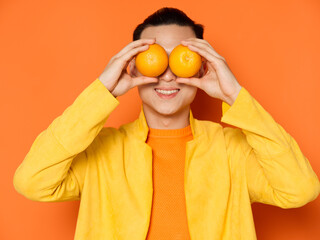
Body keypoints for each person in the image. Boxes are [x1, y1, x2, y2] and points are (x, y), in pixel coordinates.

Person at [13, 7, 320, 240]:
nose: (168, 75)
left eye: (181, 59)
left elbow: (300, 189)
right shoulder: (101, 152)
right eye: (156, 58)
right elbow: (32, 181)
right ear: (132, 67)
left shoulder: (231, 151)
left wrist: (234, 94)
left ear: (201, 68)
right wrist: (101, 92)